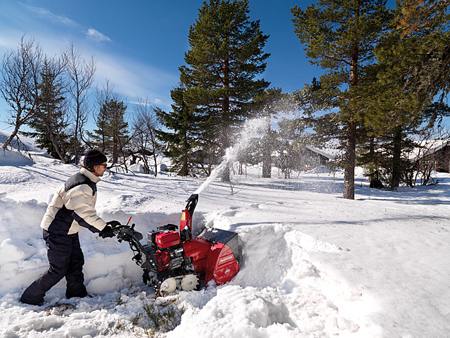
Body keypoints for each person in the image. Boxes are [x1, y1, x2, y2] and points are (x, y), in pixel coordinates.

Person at [20, 149, 117, 306]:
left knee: (75, 263)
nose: (106, 168)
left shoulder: (86, 180)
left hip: (67, 230)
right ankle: (29, 298)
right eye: (104, 165)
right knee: (58, 269)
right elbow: (83, 213)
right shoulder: (82, 185)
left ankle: (76, 294)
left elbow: (84, 210)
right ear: (93, 166)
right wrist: (103, 228)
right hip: (57, 231)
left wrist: (104, 226)